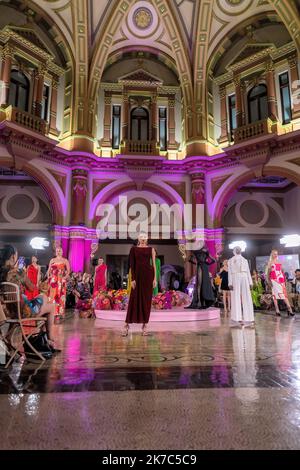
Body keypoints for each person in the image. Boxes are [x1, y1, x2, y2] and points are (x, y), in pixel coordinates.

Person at [0, 245, 59, 351]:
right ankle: (50, 340)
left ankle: (43, 338)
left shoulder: (2, 273)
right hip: (24, 312)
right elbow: (32, 288)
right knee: (50, 305)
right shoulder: (18, 272)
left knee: (43, 298)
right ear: (13, 256)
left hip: (10, 312)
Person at [123, 232, 156, 337]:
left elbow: (154, 265)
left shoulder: (151, 249)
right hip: (136, 277)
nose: (143, 239)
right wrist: (132, 279)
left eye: (145, 237)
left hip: (148, 277)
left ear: (147, 239)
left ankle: (145, 326)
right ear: (138, 238)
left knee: (146, 301)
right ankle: (126, 325)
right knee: (133, 300)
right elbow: (132, 265)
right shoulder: (133, 249)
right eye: (141, 237)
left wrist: (155, 279)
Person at [228, 246, 254, 327]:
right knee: (235, 297)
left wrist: (250, 282)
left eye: (239, 249)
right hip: (235, 277)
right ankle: (237, 318)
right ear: (234, 251)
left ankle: (249, 318)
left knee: (247, 296)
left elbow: (248, 272)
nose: (238, 250)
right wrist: (230, 283)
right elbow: (229, 272)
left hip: (245, 277)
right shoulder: (231, 260)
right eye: (237, 249)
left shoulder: (245, 260)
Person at [186, 244, 215, 309]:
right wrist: (207, 264)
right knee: (202, 284)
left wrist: (196, 263)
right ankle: (201, 302)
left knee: (199, 284)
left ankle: (199, 302)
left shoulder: (195, 252)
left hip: (200, 266)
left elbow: (188, 259)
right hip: (204, 267)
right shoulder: (206, 251)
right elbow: (214, 260)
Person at [266, 249, 294, 317]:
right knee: (275, 295)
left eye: (276, 254)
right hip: (274, 280)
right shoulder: (269, 262)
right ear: (272, 254)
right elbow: (268, 273)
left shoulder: (279, 261)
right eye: (274, 254)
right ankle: (277, 310)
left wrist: (284, 280)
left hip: (280, 279)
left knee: (284, 294)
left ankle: (289, 309)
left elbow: (282, 271)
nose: (276, 255)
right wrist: (269, 281)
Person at [47, 247, 70, 320]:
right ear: (55, 252)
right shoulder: (52, 260)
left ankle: (59, 313)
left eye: (60, 250)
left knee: (60, 296)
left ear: (62, 252)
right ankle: (52, 312)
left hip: (61, 281)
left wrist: (64, 278)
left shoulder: (65, 260)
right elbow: (48, 270)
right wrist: (49, 277)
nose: (58, 252)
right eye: (57, 251)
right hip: (53, 280)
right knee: (52, 296)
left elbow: (68, 271)